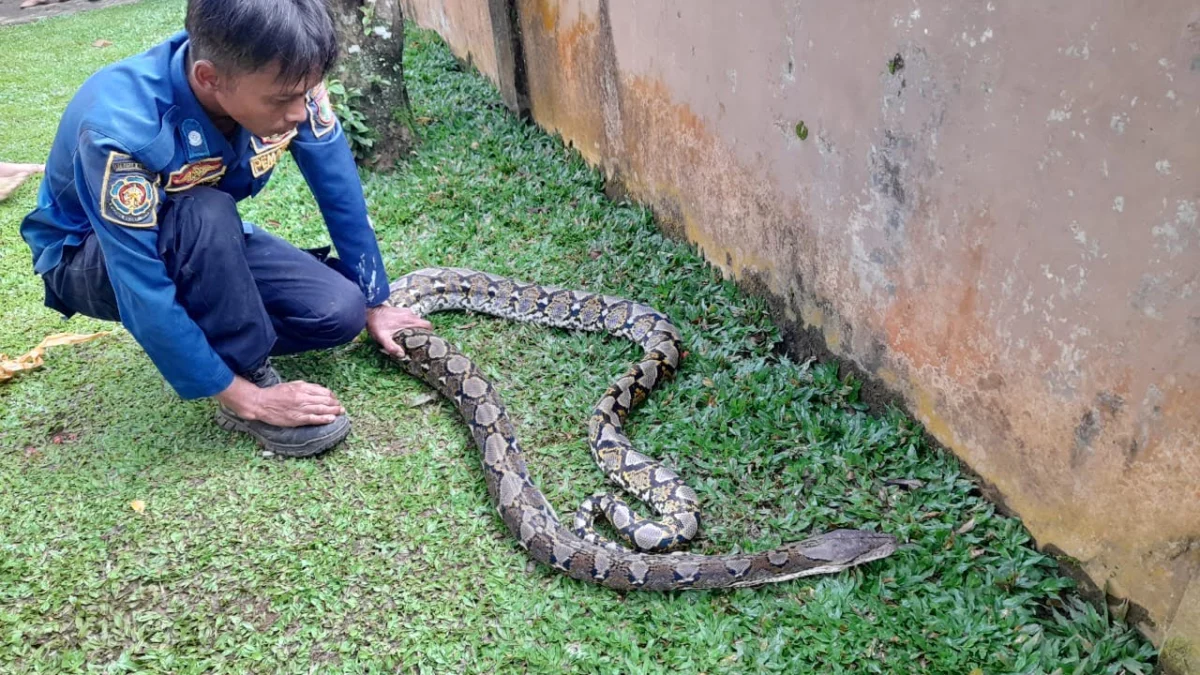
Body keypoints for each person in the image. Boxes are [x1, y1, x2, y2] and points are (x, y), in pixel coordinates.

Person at [18, 0, 433, 458]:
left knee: (338, 311)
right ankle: (245, 377)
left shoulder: (289, 76)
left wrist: (377, 301)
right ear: (209, 79)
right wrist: (245, 397)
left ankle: (199, 335)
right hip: (90, 256)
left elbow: (340, 191)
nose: (300, 111)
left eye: (308, 91)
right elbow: (139, 283)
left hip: (202, 236)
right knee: (205, 211)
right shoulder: (120, 130)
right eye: (282, 100)